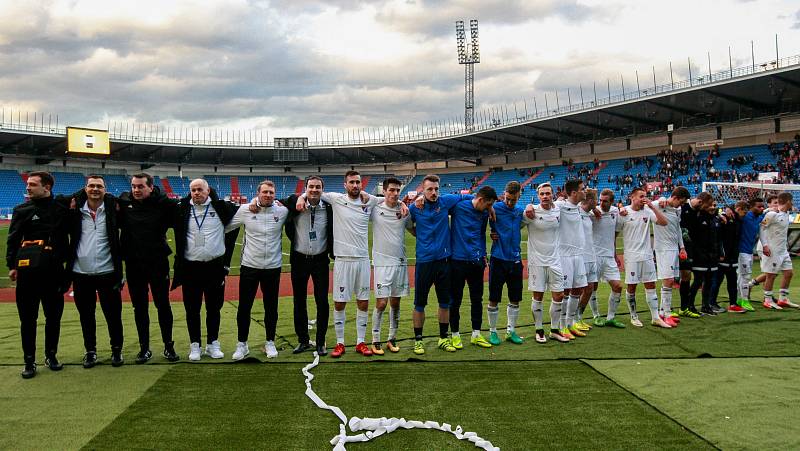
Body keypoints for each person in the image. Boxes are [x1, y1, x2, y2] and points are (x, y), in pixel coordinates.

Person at [296, 170, 383, 358]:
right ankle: (340, 343)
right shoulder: (335, 199)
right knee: (339, 303)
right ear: (345, 185)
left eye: (358, 182)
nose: (355, 185)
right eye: (351, 182)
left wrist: (404, 205)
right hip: (342, 260)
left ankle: (360, 342)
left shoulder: (370, 200)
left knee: (363, 302)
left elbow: (390, 200)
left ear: (362, 184)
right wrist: (302, 197)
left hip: (362, 260)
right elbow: (313, 192)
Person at [7, 172, 70, 379]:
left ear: (47, 187)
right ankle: (29, 360)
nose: (28, 188)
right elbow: (13, 240)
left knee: (53, 317)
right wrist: (12, 265)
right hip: (28, 274)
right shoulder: (21, 210)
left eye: (33, 184)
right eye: (27, 184)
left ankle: (51, 355)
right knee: (28, 319)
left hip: (53, 273)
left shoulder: (60, 206)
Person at [171, 179, 239, 361]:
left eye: (200, 189)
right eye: (193, 190)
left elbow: (241, 217)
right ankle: (195, 345)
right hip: (190, 267)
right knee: (192, 309)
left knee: (214, 308)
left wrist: (226, 260)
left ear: (208, 191)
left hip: (214, 267)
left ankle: (212, 343)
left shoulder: (220, 207)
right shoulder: (182, 208)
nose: (196, 193)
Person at [117, 173, 180, 363]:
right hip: (134, 264)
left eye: (140, 186)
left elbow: (181, 211)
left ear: (151, 187)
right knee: (140, 308)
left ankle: (169, 346)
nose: (136, 190)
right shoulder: (124, 202)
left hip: (158, 262)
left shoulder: (163, 204)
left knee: (163, 305)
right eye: (134, 186)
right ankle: (144, 348)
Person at [408, 174, 472, 354]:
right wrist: (417, 233)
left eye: (436, 189)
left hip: (444, 262)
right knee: (419, 304)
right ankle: (418, 340)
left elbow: (470, 197)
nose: (434, 192)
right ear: (423, 189)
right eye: (429, 189)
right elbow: (406, 223)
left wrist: (489, 208)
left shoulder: (446, 201)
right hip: (424, 262)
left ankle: (443, 338)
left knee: (445, 303)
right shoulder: (415, 208)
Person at [226, 180, 289, 360]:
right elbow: (228, 227)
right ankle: (242, 344)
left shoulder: (282, 211)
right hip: (249, 266)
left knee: (271, 307)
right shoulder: (246, 209)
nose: (268, 195)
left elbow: (295, 203)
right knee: (244, 307)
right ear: (258, 193)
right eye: (265, 192)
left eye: (271, 192)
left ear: (275, 194)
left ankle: (270, 342)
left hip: (273, 267)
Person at [67, 175, 125, 368]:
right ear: (85, 189)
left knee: (113, 314)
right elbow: (58, 200)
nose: (95, 189)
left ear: (105, 190)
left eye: (99, 186)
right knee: (86, 315)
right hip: (81, 273)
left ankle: (117, 350)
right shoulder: (75, 210)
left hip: (108, 271)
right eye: (91, 186)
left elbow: (130, 199)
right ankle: (90, 351)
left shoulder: (113, 208)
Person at [281, 176, 333, 356]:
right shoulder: (295, 203)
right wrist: (300, 198)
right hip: (299, 259)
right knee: (299, 301)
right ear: (306, 188)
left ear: (322, 189)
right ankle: (302, 340)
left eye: (318, 187)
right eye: (311, 187)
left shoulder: (328, 207)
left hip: (320, 260)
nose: (314, 190)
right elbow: (281, 200)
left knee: (322, 301)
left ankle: (320, 342)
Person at [448, 186, 497, 349]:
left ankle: (476, 334)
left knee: (477, 299)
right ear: (481, 200)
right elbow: (442, 201)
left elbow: (482, 234)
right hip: (458, 260)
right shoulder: (458, 207)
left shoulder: (484, 213)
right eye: (488, 204)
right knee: (455, 300)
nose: (489, 208)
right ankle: (455, 334)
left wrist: (483, 254)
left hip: (477, 261)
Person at [616, 187, 672, 328]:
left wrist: (653, 208)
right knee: (632, 286)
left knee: (651, 285)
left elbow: (664, 222)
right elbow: (615, 234)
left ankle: (655, 317)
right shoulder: (624, 213)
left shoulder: (648, 211)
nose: (643, 199)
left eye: (645, 196)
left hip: (647, 255)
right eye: (641, 196)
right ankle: (634, 316)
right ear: (632, 197)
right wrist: (613, 253)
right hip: (632, 256)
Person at [369, 177, 412, 354]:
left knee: (396, 303)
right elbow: (361, 197)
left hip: (400, 262)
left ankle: (391, 338)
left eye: (397, 191)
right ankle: (375, 339)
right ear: (384, 191)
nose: (394, 193)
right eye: (391, 190)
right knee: (381, 303)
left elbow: (413, 229)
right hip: (381, 264)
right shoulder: (375, 208)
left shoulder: (405, 212)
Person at [523, 183, 568, 343]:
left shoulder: (559, 209)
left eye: (548, 193)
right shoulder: (530, 211)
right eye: (542, 194)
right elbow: (515, 225)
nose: (545, 196)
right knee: (538, 296)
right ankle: (539, 329)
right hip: (537, 261)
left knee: (559, 295)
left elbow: (576, 203)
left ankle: (554, 330)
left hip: (555, 260)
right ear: (538, 196)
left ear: (553, 194)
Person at [487, 181, 525, 345]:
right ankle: (493, 332)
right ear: (504, 194)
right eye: (508, 199)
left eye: (513, 200)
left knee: (515, 298)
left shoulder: (520, 212)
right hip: (498, 258)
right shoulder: (495, 208)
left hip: (515, 259)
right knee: (494, 297)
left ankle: (511, 330)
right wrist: (491, 232)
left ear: (519, 196)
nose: (509, 202)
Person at [652, 187, 691, 327]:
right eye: (681, 202)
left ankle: (663, 312)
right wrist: (661, 199)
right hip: (663, 249)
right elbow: (645, 204)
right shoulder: (659, 204)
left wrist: (682, 247)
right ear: (675, 197)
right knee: (668, 280)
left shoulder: (677, 210)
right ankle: (667, 313)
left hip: (674, 248)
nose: (681, 205)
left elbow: (677, 228)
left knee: (670, 280)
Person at [554, 179, 587, 339]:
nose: (584, 191)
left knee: (577, 290)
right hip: (564, 255)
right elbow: (544, 208)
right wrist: (529, 206)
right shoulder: (560, 205)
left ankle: (570, 323)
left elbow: (593, 198)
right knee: (565, 292)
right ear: (573, 193)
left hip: (578, 255)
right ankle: (561, 327)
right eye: (582, 189)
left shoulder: (580, 207)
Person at [590, 189, 626, 329]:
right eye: (600, 200)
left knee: (618, 286)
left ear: (611, 202)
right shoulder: (593, 212)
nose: (602, 203)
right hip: (594, 256)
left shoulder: (615, 212)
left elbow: (614, 236)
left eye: (605, 201)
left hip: (609, 256)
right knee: (593, 287)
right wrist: (593, 207)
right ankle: (596, 316)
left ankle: (611, 318)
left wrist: (615, 253)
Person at [685, 197, 724, 315]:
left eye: (714, 205)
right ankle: (690, 306)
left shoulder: (716, 220)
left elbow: (718, 239)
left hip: (712, 256)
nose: (712, 207)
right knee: (697, 281)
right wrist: (698, 253)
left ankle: (706, 306)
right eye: (710, 205)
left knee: (709, 281)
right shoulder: (697, 217)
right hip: (699, 256)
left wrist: (719, 252)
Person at [760, 192, 796, 309]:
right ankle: (768, 300)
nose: (793, 203)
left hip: (783, 250)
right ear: (788, 201)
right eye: (792, 201)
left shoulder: (786, 213)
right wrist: (765, 245)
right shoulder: (772, 214)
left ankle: (783, 299)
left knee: (789, 273)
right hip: (772, 250)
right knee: (771, 275)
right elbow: (761, 227)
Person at [711, 203, 746, 313]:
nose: (745, 214)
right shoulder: (722, 220)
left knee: (732, 281)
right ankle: (711, 303)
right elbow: (718, 238)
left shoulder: (739, 221)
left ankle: (733, 304)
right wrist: (721, 214)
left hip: (733, 257)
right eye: (743, 211)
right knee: (717, 281)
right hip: (722, 257)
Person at [575, 188, 598, 333]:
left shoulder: (589, 214)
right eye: (596, 200)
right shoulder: (575, 211)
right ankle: (572, 319)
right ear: (590, 201)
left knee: (590, 289)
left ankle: (578, 316)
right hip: (580, 256)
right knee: (576, 290)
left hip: (591, 256)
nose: (597, 203)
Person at [736, 197, 765, 310]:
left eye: (762, 206)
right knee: (745, 276)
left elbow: (766, 215)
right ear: (751, 207)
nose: (761, 208)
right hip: (741, 251)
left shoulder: (759, 217)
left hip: (749, 251)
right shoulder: (745, 216)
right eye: (759, 206)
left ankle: (739, 299)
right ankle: (744, 300)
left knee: (742, 276)